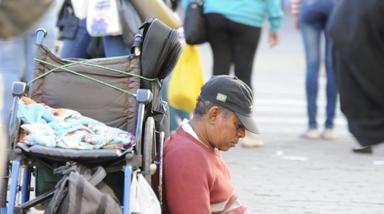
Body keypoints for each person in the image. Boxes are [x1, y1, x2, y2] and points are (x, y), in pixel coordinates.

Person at [164, 75, 259, 213]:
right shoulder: (188, 157)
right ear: (214, 114)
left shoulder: (205, 145)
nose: (242, 134)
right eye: (238, 125)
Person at [327, 0, 384, 153]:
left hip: (346, 28)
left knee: (353, 86)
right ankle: (366, 137)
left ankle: (364, 138)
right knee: (361, 85)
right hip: (358, 29)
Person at [291, 0, 338, 140]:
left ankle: (312, 127)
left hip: (311, 5)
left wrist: (296, 12)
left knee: (312, 65)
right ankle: (329, 127)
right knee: (332, 66)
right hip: (335, 7)